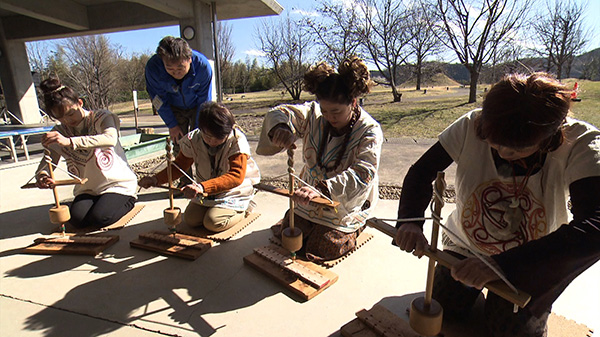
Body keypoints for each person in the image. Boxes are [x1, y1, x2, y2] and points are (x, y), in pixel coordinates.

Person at [394, 72, 600, 337]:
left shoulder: (581, 142)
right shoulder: (473, 124)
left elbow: (595, 227)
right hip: (465, 245)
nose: (503, 154)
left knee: (509, 331)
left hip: (529, 260)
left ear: (548, 136)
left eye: (515, 150)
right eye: (494, 144)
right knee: (446, 306)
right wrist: (410, 221)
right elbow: (422, 172)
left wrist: (504, 265)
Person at [256, 56, 383, 262]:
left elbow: (363, 173)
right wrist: (282, 128)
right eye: (324, 110)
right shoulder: (315, 114)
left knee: (323, 246)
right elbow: (282, 113)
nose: (329, 116)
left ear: (353, 102)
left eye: (336, 111)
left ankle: (356, 227)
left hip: (344, 200)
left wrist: (323, 189)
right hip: (309, 192)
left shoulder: (370, 130)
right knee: (290, 233)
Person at [138, 102, 260, 233]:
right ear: (201, 129)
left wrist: (201, 187)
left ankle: (244, 210)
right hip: (204, 190)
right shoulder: (194, 139)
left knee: (213, 222)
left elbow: (236, 176)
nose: (212, 141)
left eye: (218, 138)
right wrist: (155, 179)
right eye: (208, 136)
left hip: (233, 191)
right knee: (191, 220)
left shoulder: (236, 141)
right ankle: (215, 209)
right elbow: (179, 166)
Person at [35, 78, 137, 229]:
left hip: (117, 185)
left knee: (100, 218)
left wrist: (70, 142)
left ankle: (129, 200)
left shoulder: (102, 117)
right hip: (87, 189)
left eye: (70, 114)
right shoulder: (59, 132)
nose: (67, 121)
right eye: (60, 118)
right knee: (77, 220)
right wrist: (42, 175)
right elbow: (49, 160)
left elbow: (110, 138)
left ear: (80, 103)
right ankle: (94, 205)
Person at [145, 36, 212, 186]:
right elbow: (158, 99)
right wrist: (172, 125)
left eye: (180, 68)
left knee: (202, 141)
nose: (176, 72)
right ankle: (185, 181)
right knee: (180, 144)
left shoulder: (203, 67)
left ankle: (206, 181)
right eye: (170, 68)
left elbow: (204, 101)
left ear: (189, 59)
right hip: (173, 106)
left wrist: (198, 130)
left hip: (197, 105)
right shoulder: (153, 68)